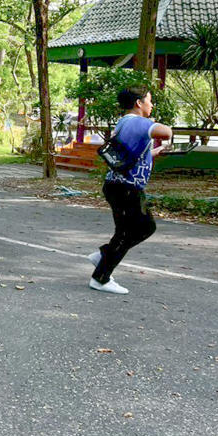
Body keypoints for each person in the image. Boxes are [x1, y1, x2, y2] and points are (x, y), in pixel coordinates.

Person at [87, 85, 173, 295]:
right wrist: (154, 124)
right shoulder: (138, 122)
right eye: (149, 100)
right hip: (127, 188)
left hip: (116, 185)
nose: (151, 105)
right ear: (138, 103)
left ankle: (104, 256)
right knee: (143, 228)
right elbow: (166, 132)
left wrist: (155, 152)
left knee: (125, 231)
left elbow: (131, 155)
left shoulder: (124, 122)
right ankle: (100, 277)